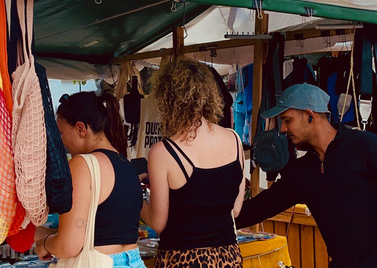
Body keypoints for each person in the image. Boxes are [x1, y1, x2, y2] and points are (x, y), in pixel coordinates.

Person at [235, 83, 377, 268]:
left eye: (287, 120)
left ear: (310, 116)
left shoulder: (365, 146)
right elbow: (258, 209)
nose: (283, 129)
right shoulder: (302, 171)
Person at [141, 59, 245, 268]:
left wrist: (134, 193)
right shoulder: (234, 139)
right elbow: (235, 210)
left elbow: (159, 223)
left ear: (166, 100)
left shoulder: (163, 152)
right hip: (228, 258)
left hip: (182, 259)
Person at [35, 91, 146, 268]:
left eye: (61, 133)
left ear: (81, 129)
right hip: (134, 261)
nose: (61, 141)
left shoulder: (82, 165)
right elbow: (96, 231)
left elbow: (69, 246)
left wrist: (45, 244)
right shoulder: (127, 165)